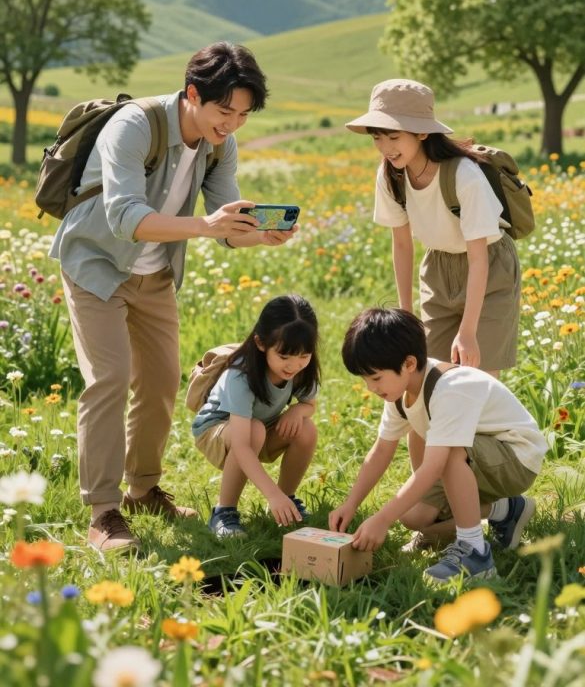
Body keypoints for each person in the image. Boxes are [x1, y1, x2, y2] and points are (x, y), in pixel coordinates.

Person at [50, 42, 297, 553]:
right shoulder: (134, 125)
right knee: (110, 378)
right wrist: (206, 226)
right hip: (95, 264)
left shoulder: (218, 144)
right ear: (192, 94)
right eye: (224, 111)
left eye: (243, 115)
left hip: (155, 272)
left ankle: (142, 490)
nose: (231, 124)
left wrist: (257, 233)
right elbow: (124, 216)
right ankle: (103, 512)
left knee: (161, 383)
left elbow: (225, 225)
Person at [329, 308, 547, 584]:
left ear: (408, 364)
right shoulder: (399, 394)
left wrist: (382, 520)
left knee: (449, 453)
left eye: (375, 378)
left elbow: (434, 467)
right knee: (412, 516)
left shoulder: (450, 388)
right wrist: (351, 504)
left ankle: (475, 553)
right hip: (479, 460)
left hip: (516, 459)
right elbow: (381, 451)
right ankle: (506, 510)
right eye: (365, 380)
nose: (371, 388)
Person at [346, 79, 521, 378]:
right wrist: (405, 313)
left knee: (480, 381)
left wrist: (467, 332)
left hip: (489, 270)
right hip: (437, 269)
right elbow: (402, 245)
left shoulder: (464, 175)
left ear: (423, 132)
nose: (385, 148)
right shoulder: (390, 175)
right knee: (433, 380)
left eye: (394, 137)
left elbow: (478, 258)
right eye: (377, 137)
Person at [193, 294, 320, 538]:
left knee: (306, 429)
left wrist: (297, 410)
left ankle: (287, 503)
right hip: (216, 430)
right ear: (261, 344)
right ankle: (224, 512)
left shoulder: (302, 370)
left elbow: (309, 405)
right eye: (284, 357)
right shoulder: (242, 374)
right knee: (254, 430)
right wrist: (270, 494)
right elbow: (241, 445)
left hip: (257, 425)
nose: (293, 366)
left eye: (304, 356)